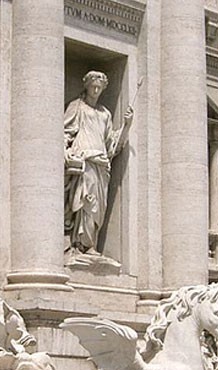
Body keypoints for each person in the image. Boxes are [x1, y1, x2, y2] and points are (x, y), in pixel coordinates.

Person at [63, 70, 132, 254]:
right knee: (86, 202)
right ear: (86, 85)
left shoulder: (105, 114)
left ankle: (90, 243)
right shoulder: (76, 106)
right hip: (85, 159)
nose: (96, 89)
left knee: (98, 208)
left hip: (102, 164)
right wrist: (66, 153)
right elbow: (64, 132)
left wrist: (127, 125)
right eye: (93, 86)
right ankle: (80, 244)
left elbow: (113, 144)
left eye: (99, 87)